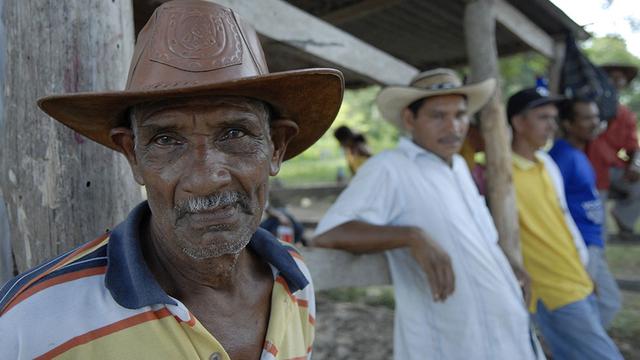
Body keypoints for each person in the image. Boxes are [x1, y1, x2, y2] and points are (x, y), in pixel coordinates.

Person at [0, 1, 344, 359]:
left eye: (234, 133)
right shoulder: (30, 324)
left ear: (276, 147)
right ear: (132, 155)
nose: (207, 178)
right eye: (166, 140)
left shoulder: (293, 280)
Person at [314, 68, 542, 360]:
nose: (454, 127)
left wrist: (510, 266)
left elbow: (483, 236)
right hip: (453, 341)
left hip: (508, 329)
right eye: (438, 116)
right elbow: (329, 234)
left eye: (460, 115)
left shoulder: (458, 166)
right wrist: (411, 236)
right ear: (410, 119)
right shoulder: (389, 167)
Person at [508, 88, 622, 359]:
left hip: (575, 278)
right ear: (518, 122)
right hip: (550, 289)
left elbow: (563, 219)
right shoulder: (501, 175)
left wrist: (584, 266)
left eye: (554, 118)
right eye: (543, 118)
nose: (552, 126)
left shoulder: (546, 163)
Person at [549, 98, 622, 328]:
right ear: (569, 124)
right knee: (594, 304)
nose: (594, 122)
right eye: (586, 117)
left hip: (591, 243)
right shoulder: (562, 156)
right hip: (578, 243)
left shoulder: (579, 154)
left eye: (596, 116)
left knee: (606, 302)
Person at [587, 64, 640, 239]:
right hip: (589, 169)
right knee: (595, 229)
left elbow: (633, 146)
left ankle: (624, 219)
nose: (616, 81)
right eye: (611, 77)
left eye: (621, 78)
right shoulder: (590, 106)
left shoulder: (625, 113)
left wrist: (635, 166)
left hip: (612, 169)